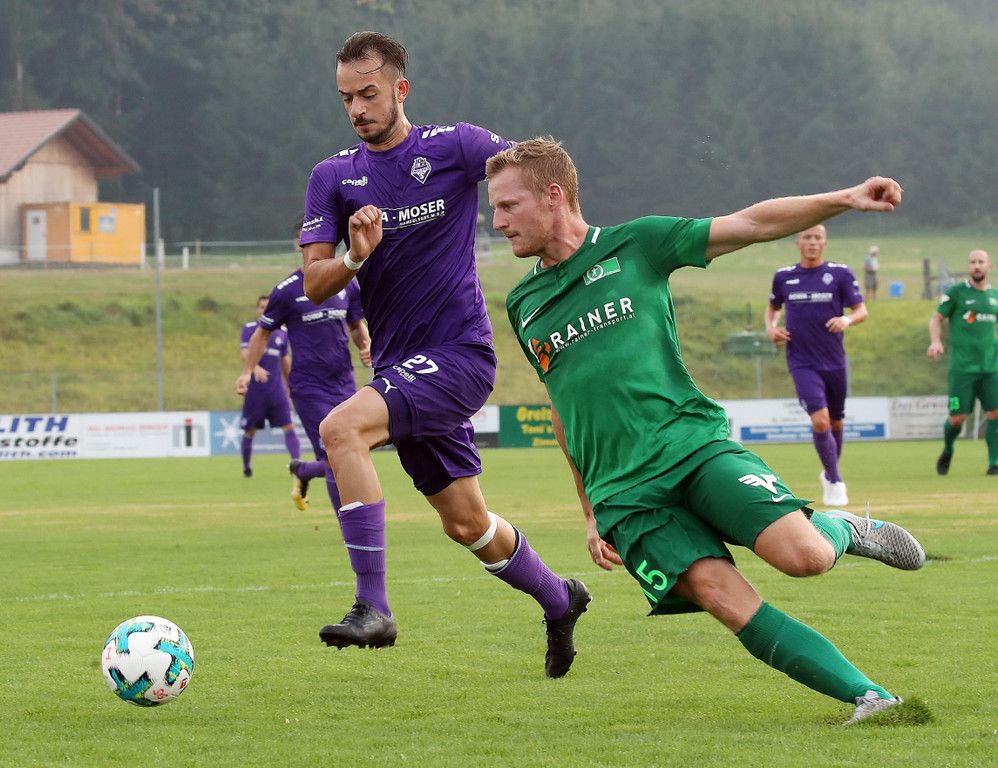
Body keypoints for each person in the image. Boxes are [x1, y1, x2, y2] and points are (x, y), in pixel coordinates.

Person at [489, 137, 925, 725]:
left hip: (691, 446)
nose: (497, 222)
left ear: (553, 195)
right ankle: (871, 698)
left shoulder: (638, 244)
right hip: (624, 496)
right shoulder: (524, 302)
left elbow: (751, 224)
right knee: (723, 597)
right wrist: (589, 511)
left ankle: (841, 527)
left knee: (807, 558)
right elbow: (564, 406)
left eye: (508, 206)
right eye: (494, 209)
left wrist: (845, 198)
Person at [298, 32, 589, 675]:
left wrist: (570, 246)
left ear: (400, 88)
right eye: (346, 98)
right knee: (467, 525)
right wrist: (354, 257)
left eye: (369, 94)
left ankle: (373, 607)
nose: (357, 109)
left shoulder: (456, 146)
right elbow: (313, 282)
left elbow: (532, 175)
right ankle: (560, 598)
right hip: (397, 369)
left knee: (340, 430)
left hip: (459, 355)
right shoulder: (333, 176)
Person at [236, 217, 372, 512]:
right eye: (308, 237)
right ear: (298, 243)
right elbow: (262, 333)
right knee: (334, 455)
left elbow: (355, 325)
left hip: (344, 382)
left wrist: (366, 344)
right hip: (309, 386)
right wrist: (246, 372)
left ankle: (304, 470)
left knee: (355, 450)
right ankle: (350, 525)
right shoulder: (286, 290)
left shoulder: (347, 284)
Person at [765, 226, 868, 506]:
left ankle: (829, 471)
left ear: (825, 243)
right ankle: (835, 480)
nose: (812, 242)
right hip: (801, 361)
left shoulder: (840, 274)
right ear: (797, 242)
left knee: (836, 421)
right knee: (820, 419)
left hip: (834, 361)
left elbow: (861, 310)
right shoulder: (784, 276)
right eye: (807, 237)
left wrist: (846, 320)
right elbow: (773, 307)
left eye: (817, 238)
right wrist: (771, 328)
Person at [927, 249, 998, 476]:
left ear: (989, 266)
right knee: (957, 419)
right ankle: (948, 449)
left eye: (981, 262)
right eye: (973, 262)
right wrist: (936, 341)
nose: (976, 265)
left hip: (991, 368)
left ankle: (994, 463)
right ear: (969, 267)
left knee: (995, 413)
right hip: (962, 369)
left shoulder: (995, 296)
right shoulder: (956, 293)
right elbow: (936, 319)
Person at [237, 295, 300, 478]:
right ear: (258, 309)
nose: (265, 309)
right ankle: (247, 468)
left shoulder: (282, 332)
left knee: (289, 426)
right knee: (250, 430)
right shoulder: (250, 329)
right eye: (262, 306)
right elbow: (245, 353)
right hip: (255, 391)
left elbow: (285, 360)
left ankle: (296, 465)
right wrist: (254, 368)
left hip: (276, 390)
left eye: (267, 306)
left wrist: (290, 384)